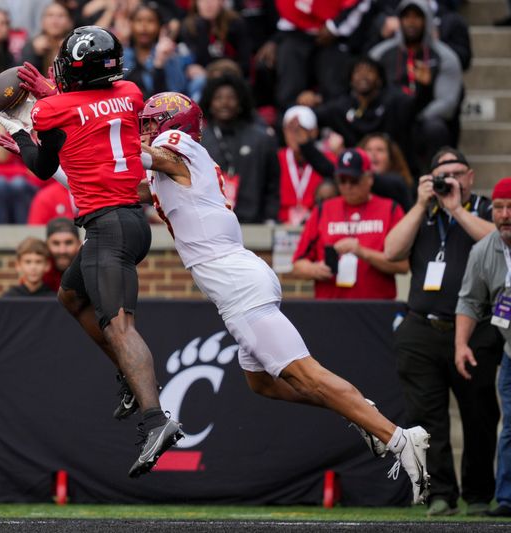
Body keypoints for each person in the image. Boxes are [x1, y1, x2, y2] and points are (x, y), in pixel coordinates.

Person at [142, 90, 431, 504]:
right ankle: (358, 409)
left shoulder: (177, 146)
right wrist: (51, 153)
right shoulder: (170, 165)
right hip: (241, 279)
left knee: (307, 375)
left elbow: (138, 158)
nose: (146, 130)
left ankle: (400, 438)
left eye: (153, 122)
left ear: (175, 125)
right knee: (263, 384)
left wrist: (91, 125)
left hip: (239, 287)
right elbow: (111, 182)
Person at [0, 26, 182, 478]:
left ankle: (156, 419)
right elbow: (93, 105)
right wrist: (53, 94)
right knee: (70, 296)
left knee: (119, 326)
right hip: (132, 224)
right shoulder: (132, 93)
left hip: (107, 226)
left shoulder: (55, 108)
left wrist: (19, 130)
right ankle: (131, 381)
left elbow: (43, 167)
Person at [384, 148, 502, 516]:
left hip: (475, 328)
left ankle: (480, 495)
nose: (448, 180)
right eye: (441, 174)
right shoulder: (424, 212)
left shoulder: (484, 209)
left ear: (469, 177)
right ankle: (440, 494)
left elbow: (497, 241)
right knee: (426, 417)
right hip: (423, 326)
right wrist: (421, 204)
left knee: (479, 415)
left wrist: (455, 209)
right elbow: (391, 251)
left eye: (456, 173)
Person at [455, 178, 511, 518]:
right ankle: (507, 498)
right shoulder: (483, 250)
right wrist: (461, 343)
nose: (505, 215)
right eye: (500, 208)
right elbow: (470, 301)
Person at [291, 148, 409, 299]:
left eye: (354, 180)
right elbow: (297, 265)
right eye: (341, 180)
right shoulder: (323, 210)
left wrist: (362, 252)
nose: (347, 186)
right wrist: (315, 269)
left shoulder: (390, 209)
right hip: (330, 307)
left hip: (375, 309)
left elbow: (403, 266)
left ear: (370, 178)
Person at [369, 0, 463, 173]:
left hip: (423, 120)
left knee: (435, 129)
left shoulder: (445, 56)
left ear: (427, 21)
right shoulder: (380, 54)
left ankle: (435, 182)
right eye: (406, 17)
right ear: (399, 20)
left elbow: (447, 103)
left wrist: (413, 115)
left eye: (417, 17)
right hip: (390, 118)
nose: (411, 22)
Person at [199, 73, 279, 223]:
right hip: (210, 223)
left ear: (241, 101)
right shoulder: (199, 141)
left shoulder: (261, 139)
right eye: (218, 98)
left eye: (231, 97)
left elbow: (273, 183)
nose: (224, 103)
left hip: (254, 222)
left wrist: (270, 217)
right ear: (209, 103)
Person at [42, 216, 81, 292]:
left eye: (68, 242)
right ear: (46, 245)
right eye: (56, 243)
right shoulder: (38, 276)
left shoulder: (89, 275)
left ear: (79, 244)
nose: (62, 250)